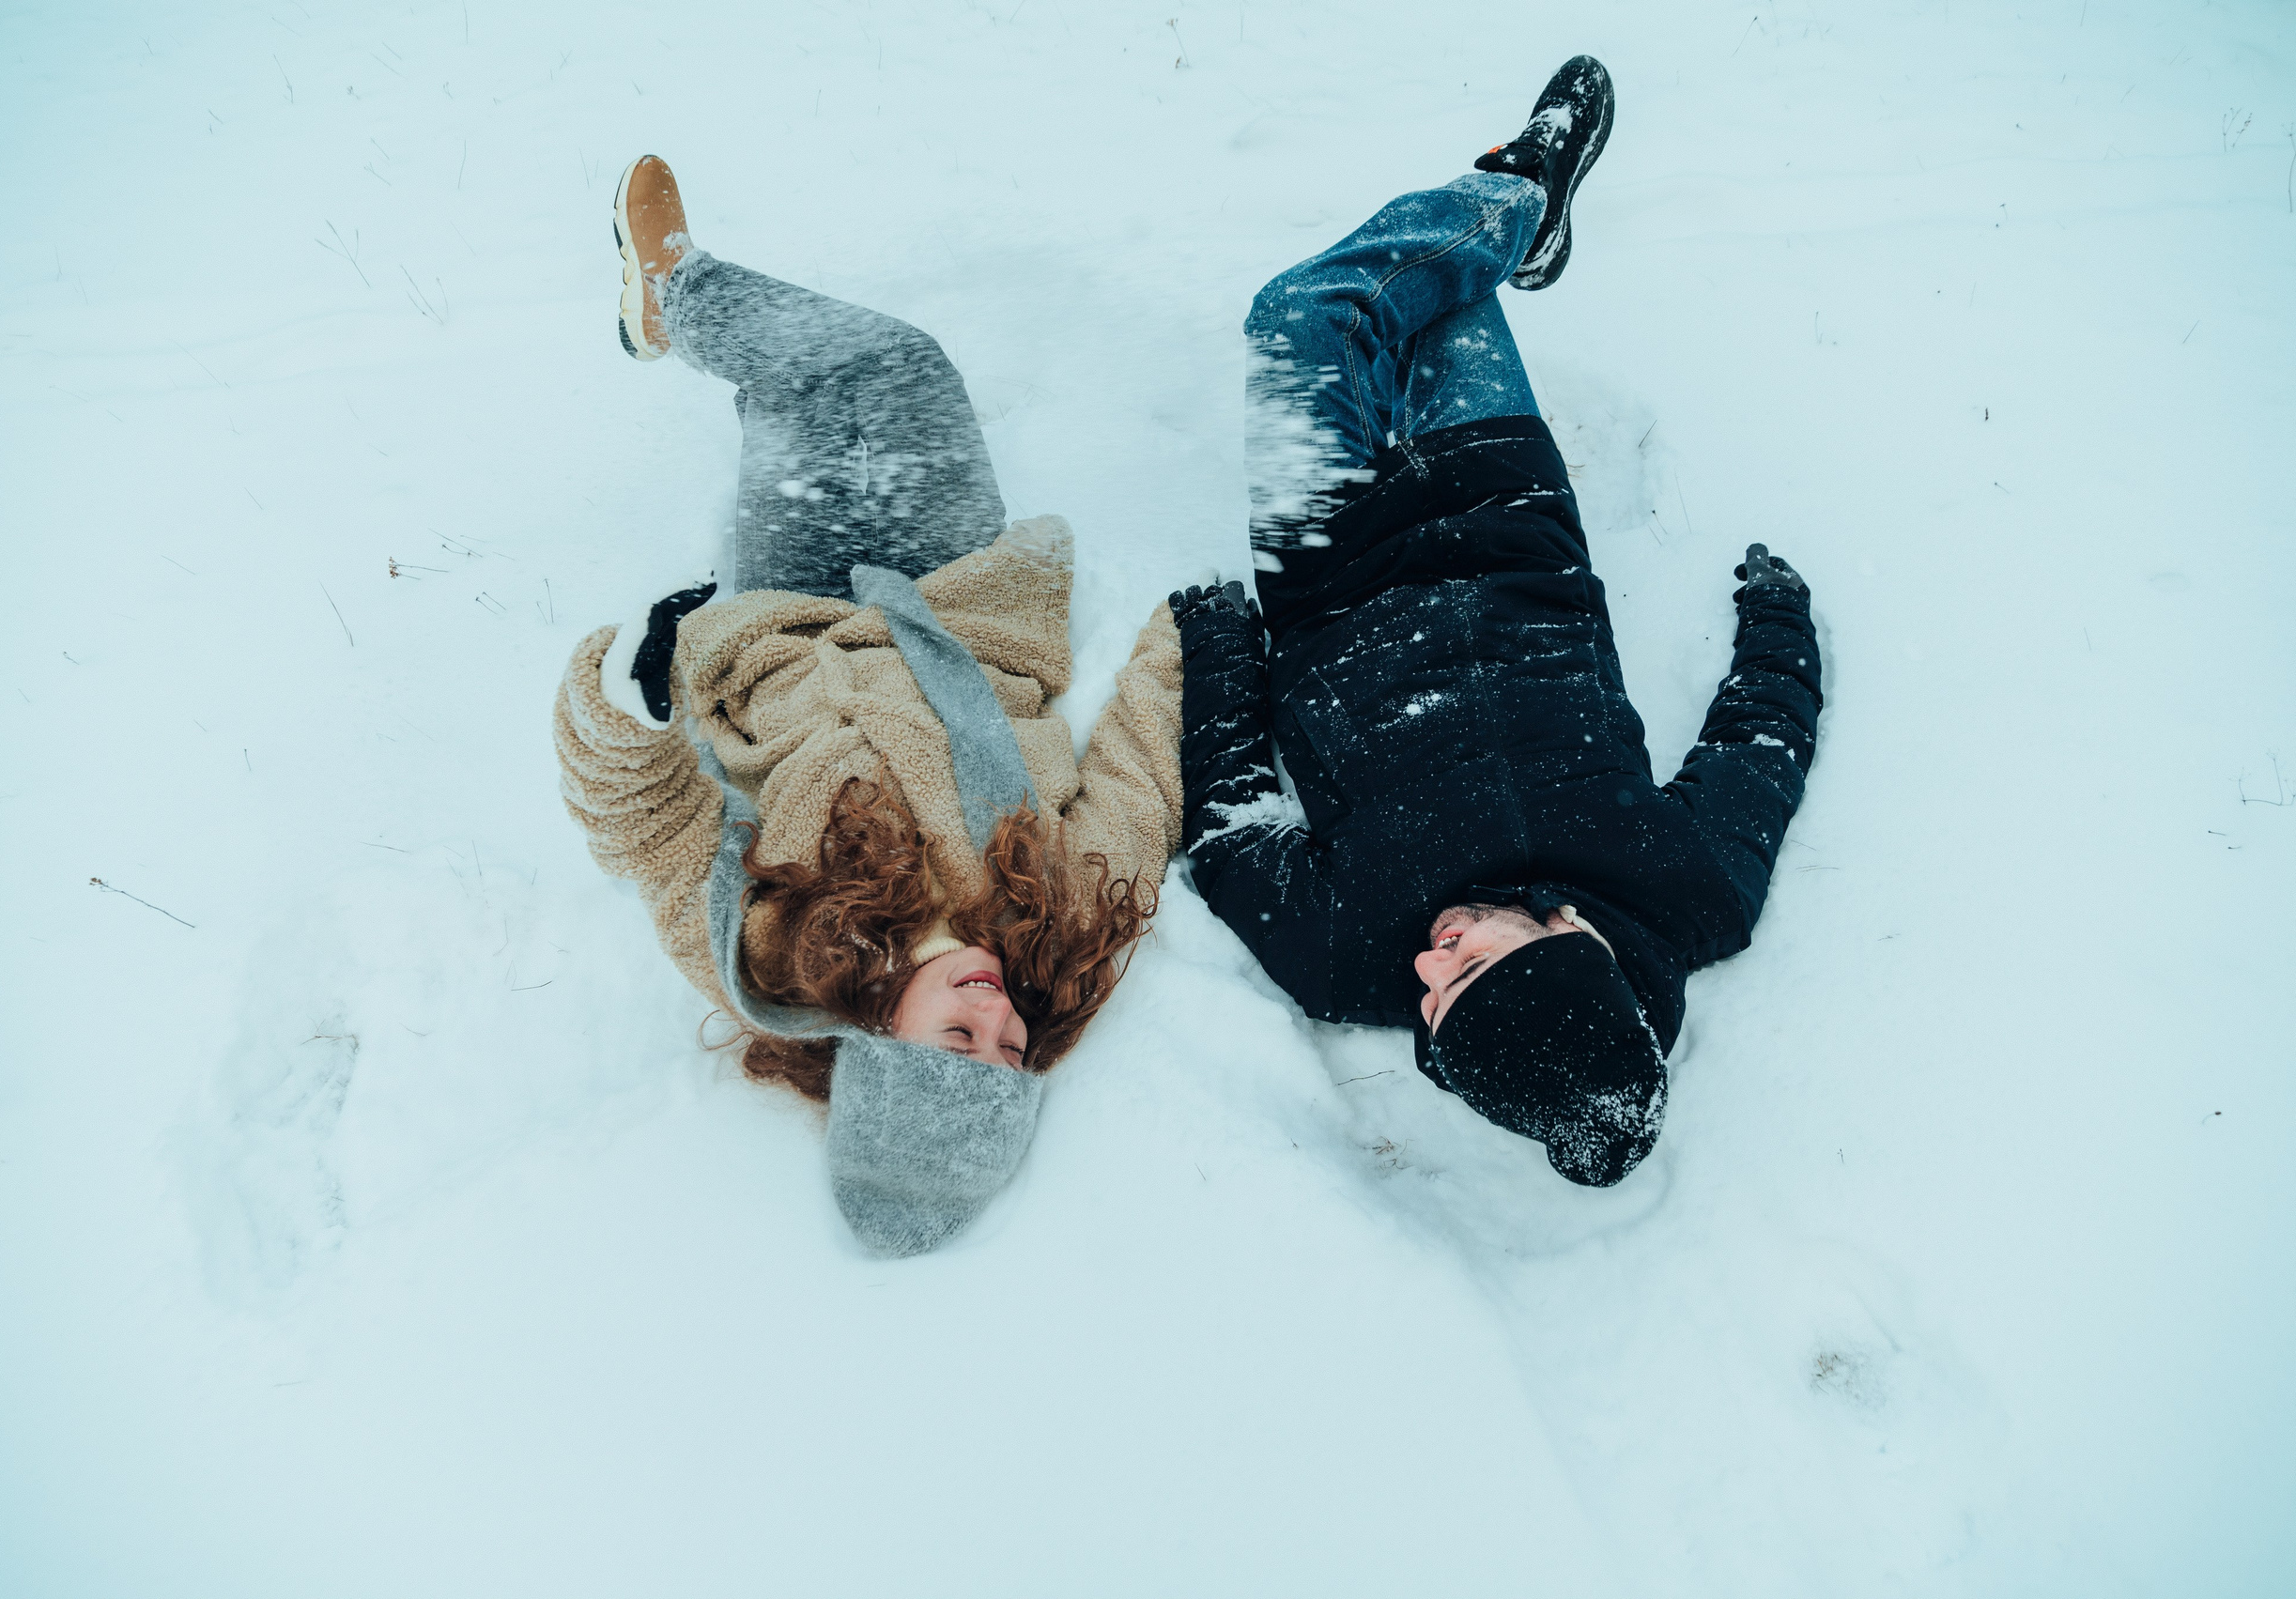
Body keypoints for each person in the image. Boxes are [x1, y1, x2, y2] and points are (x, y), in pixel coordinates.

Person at [1171, 58, 1824, 1187]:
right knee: (1444, 296)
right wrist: (1778, 614)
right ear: (1572, 939)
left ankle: (1522, 194)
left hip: (1322, 566)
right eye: (1470, 967)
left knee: (1301, 315)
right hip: (1504, 511)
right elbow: (1758, 747)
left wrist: (1219, 647)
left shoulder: (1340, 956)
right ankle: (1518, 211)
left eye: (1431, 1001)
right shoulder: (1688, 893)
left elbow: (1229, 819)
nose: (1430, 960)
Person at [557, 157, 1183, 1255]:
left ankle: (678, 290)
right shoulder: (1064, 925)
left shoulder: (769, 956)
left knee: (809, 395)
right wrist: (1190, 634)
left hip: (783, 623)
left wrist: (623, 707)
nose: (997, 1012)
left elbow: (646, 832)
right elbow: (1138, 775)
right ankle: (684, 305)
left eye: (959, 1036)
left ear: (881, 1039)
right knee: (897, 368)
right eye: (1010, 1048)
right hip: (962, 598)